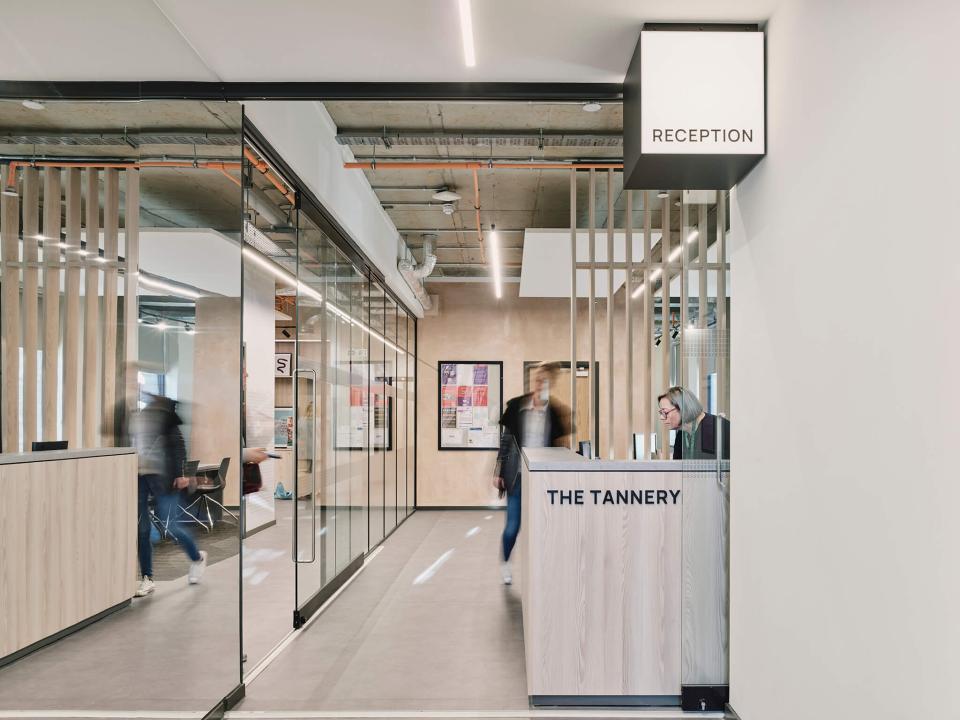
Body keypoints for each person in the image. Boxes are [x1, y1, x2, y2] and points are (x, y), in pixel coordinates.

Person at [493, 362, 571, 585]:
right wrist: (498, 470)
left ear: (551, 384)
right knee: (512, 527)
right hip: (517, 477)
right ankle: (506, 563)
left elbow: (559, 447)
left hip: (542, 480)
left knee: (543, 527)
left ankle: (541, 568)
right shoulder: (517, 406)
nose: (540, 385)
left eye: (545, 382)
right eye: (537, 380)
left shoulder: (555, 413)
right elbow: (506, 440)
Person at [133, 394, 207, 597]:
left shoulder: (167, 419)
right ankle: (147, 578)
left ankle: (197, 558)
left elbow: (178, 446)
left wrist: (182, 474)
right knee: (142, 530)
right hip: (141, 477)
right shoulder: (139, 419)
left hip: (165, 479)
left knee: (171, 526)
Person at [657, 385, 730, 460]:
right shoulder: (682, 434)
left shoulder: (714, 429)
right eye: (661, 413)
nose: (662, 417)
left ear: (683, 408)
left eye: (665, 412)